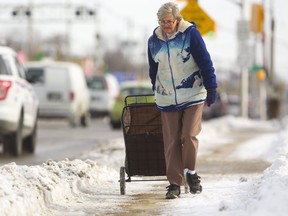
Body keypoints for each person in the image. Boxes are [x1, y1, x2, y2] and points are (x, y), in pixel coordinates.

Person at [147, 2, 218, 199]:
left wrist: (212, 88)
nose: (165, 25)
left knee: (188, 135)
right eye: (162, 22)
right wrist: (156, 88)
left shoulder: (190, 35)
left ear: (177, 20)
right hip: (167, 97)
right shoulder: (153, 41)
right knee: (171, 141)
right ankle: (174, 184)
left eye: (169, 21)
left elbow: (205, 62)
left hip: (193, 94)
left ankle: (191, 173)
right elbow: (153, 70)